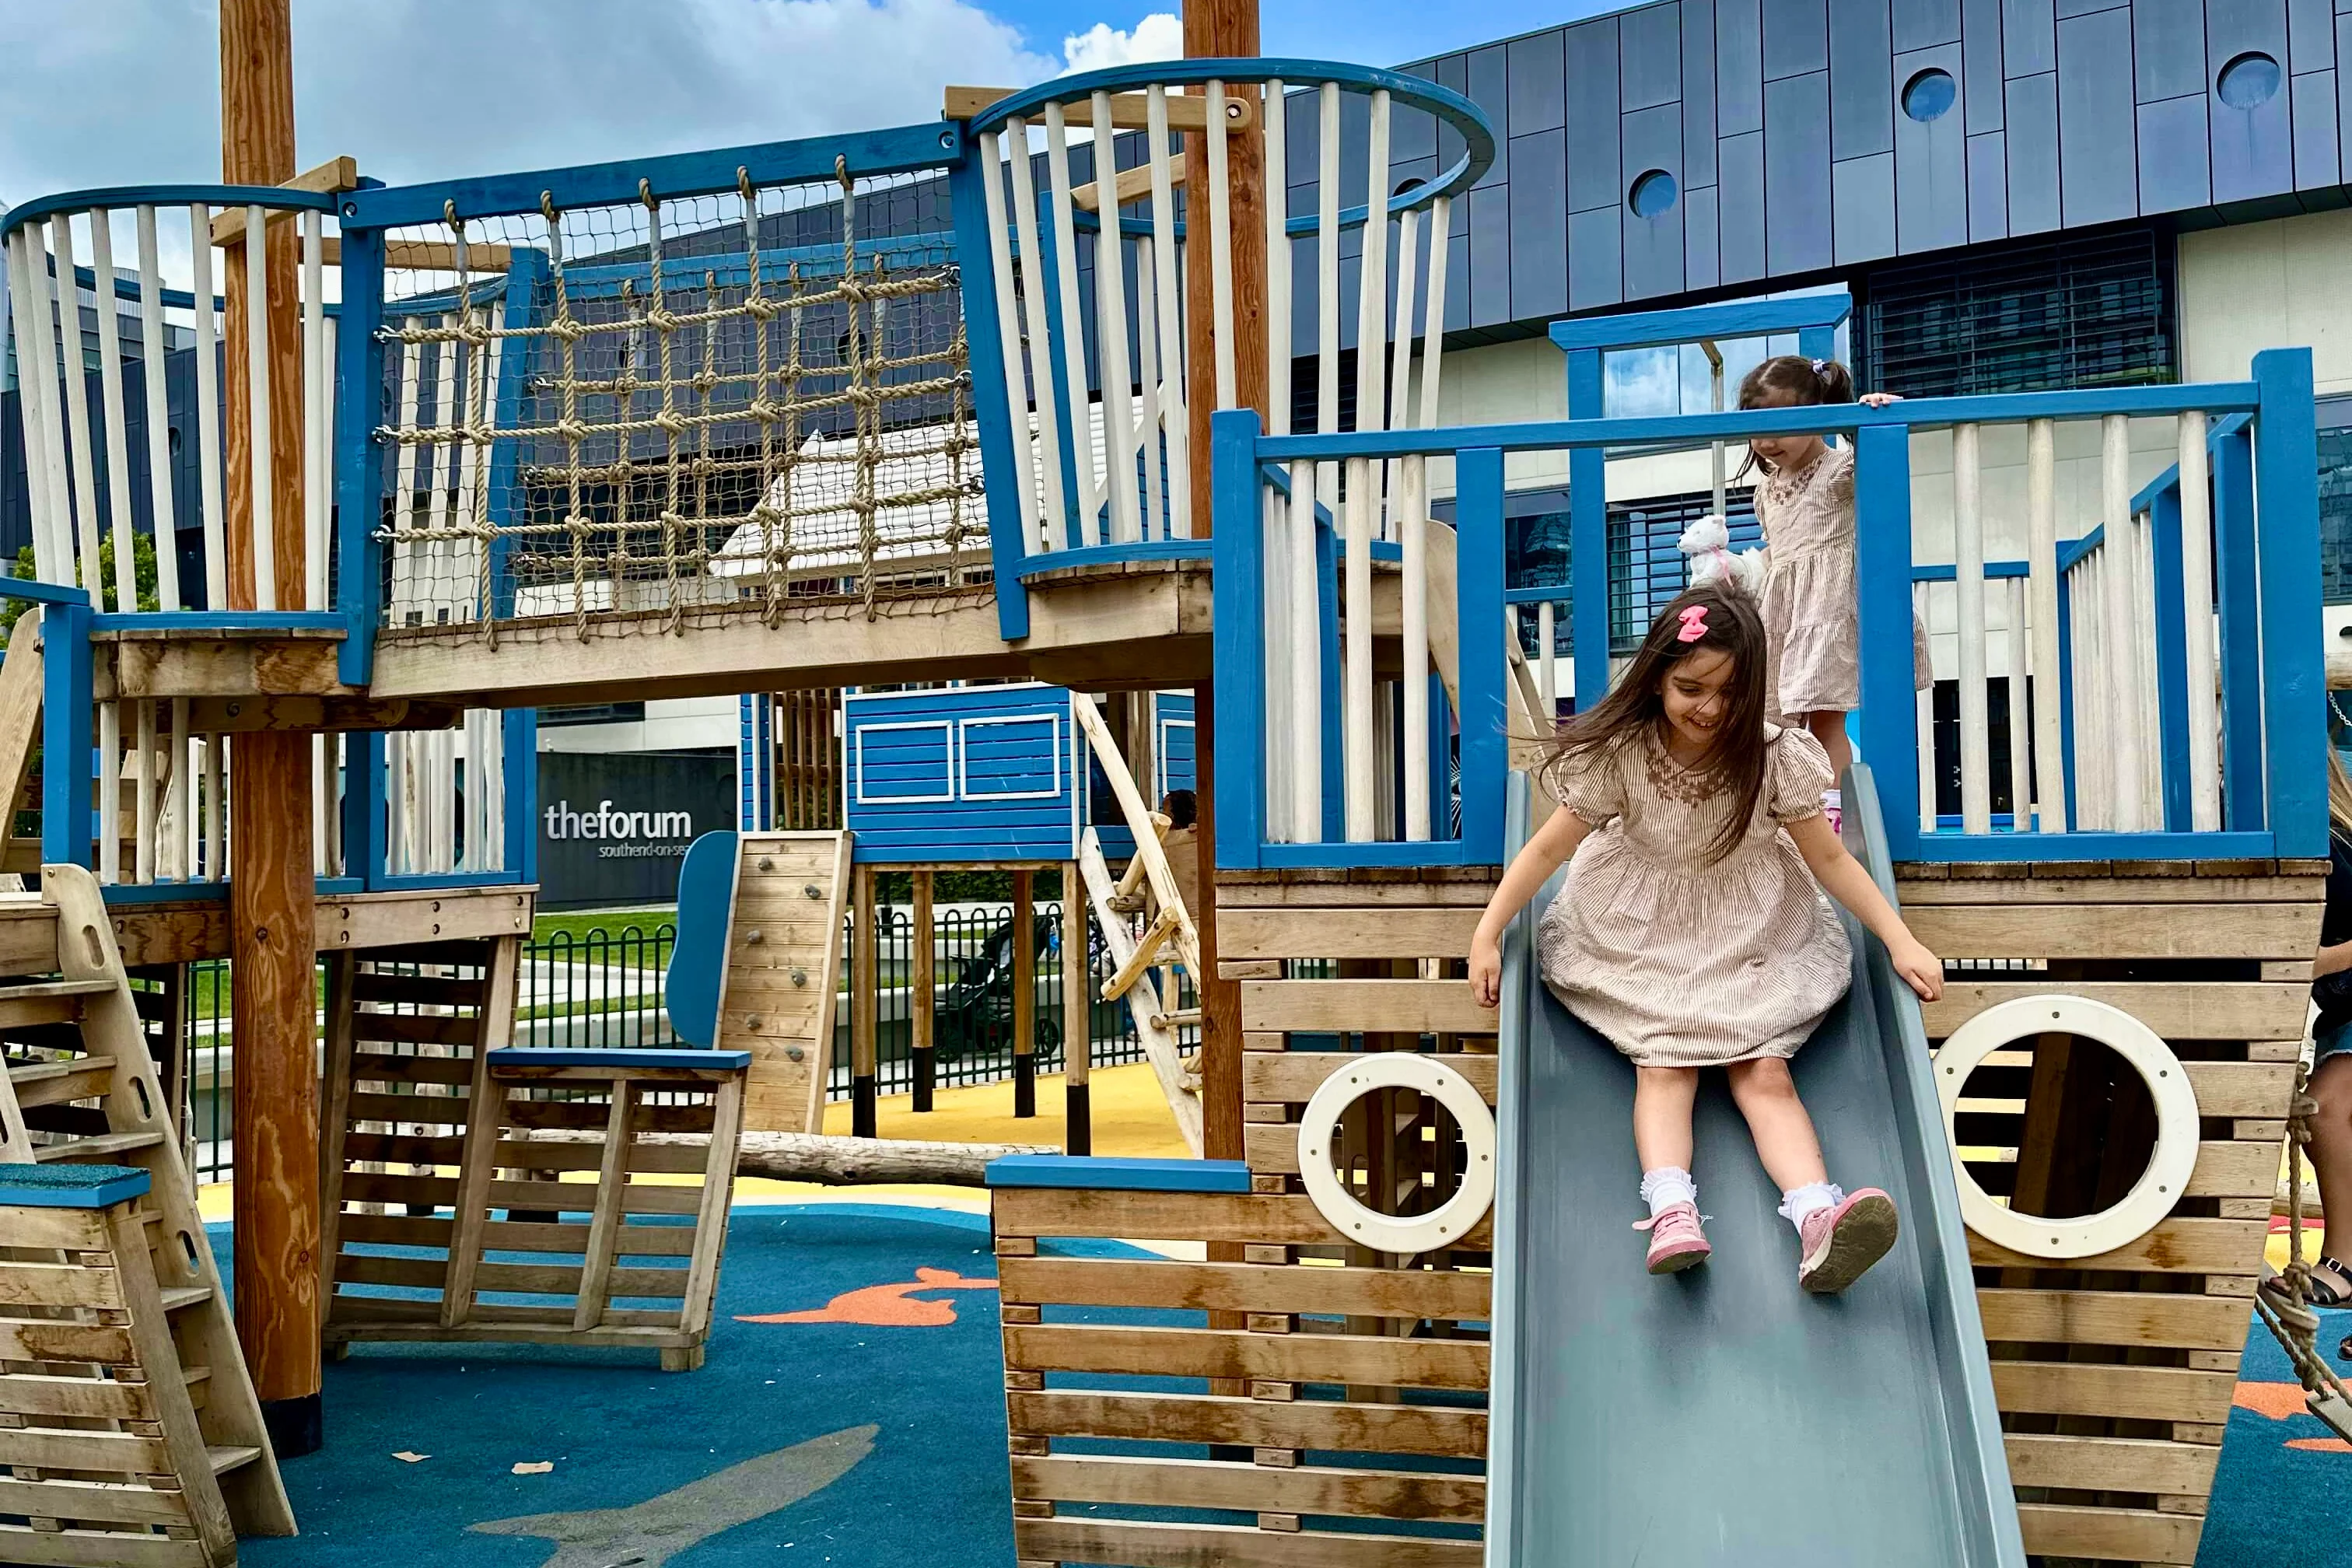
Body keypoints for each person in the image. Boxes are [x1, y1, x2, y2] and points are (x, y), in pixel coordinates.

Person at [1466, 582, 1945, 1291]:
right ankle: (1671, 1210)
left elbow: (1830, 859)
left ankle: (1818, 1220)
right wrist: (1487, 930)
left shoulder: (1771, 754)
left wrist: (1900, 939)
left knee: (1766, 1071)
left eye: (1730, 693)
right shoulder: (1624, 754)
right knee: (1664, 1064)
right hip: (1643, 928)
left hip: (1746, 924)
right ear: (1658, 674)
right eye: (1691, 688)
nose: (1711, 709)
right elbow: (1545, 852)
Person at [1738, 355, 1933, 828]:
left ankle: (1834, 816)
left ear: (1819, 412)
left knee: (1825, 720)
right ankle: (1785, 814)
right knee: (1774, 724)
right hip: (1783, 614)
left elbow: (1880, 460)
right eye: (1754, 429)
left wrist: (1874, 415)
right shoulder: (1766, 490)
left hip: (1827, 609)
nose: (1765, 443)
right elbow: (1780, 553)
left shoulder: (1839, 469)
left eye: (1780, 427)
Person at [2298, 744, 2352, 1316]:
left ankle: (2343, 1260)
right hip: (2343, 1009)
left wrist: (2307, 964)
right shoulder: (2330, 833)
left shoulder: (2335, 840)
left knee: (2326, 1106)